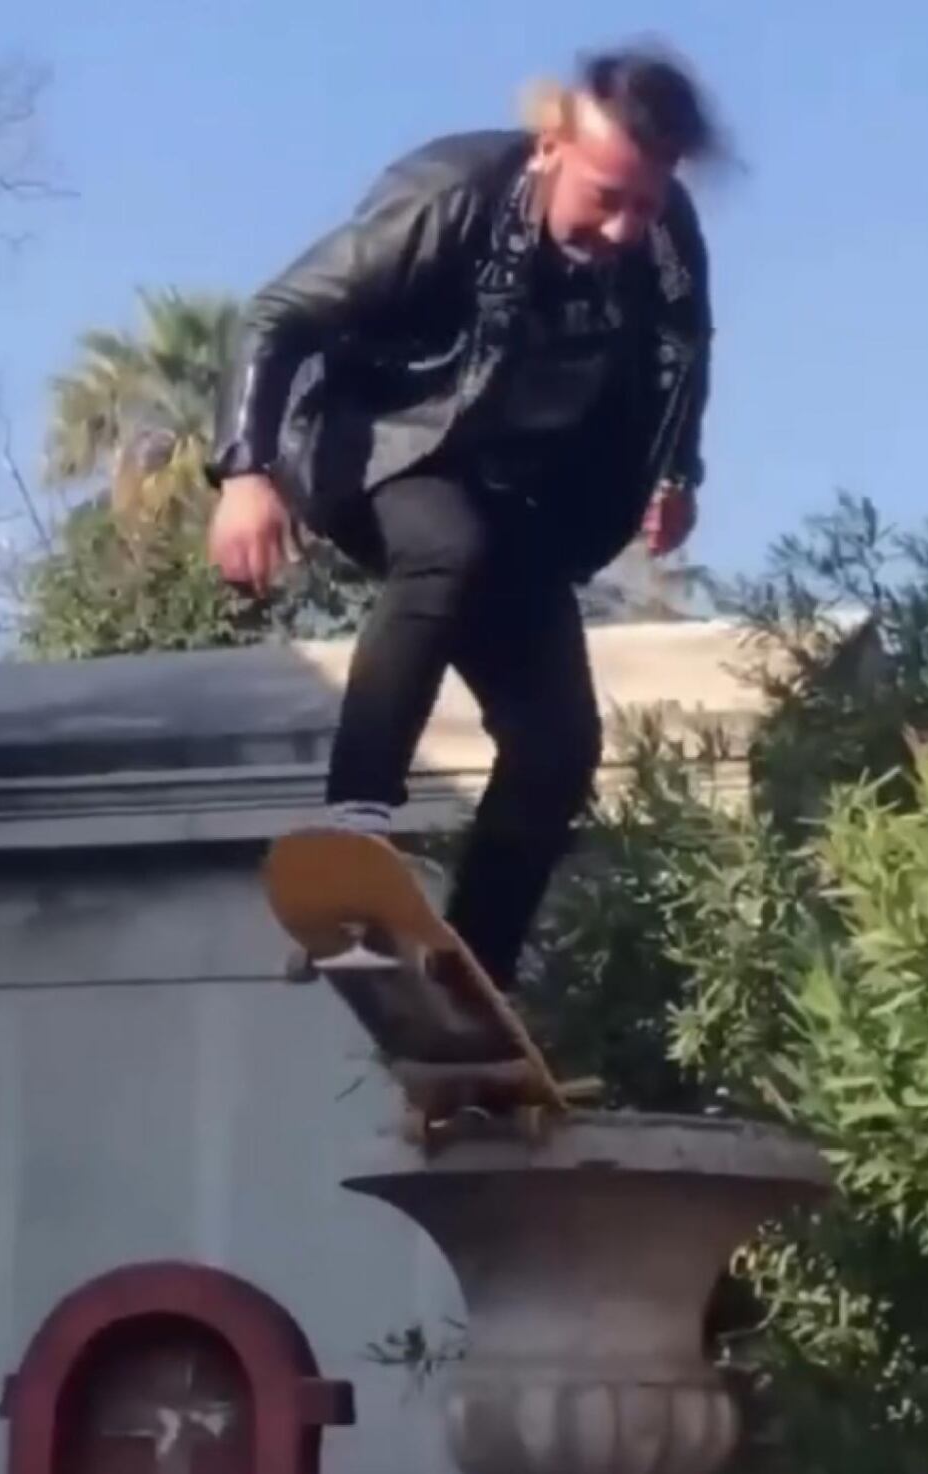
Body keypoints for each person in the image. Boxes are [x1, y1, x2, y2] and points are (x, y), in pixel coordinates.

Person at [206, 45, 723, 991]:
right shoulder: (449, 197)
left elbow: (686, 351)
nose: (621, 226)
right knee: (447, 546)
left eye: (644, 203)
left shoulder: (665, 240)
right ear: (552, 144)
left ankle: (471, 977)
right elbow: (275, 315)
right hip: (370, 444)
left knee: (558, 745)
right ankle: (355, 829)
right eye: (605, 195)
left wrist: (676, 472)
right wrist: (246, 471)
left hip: (515, 497)